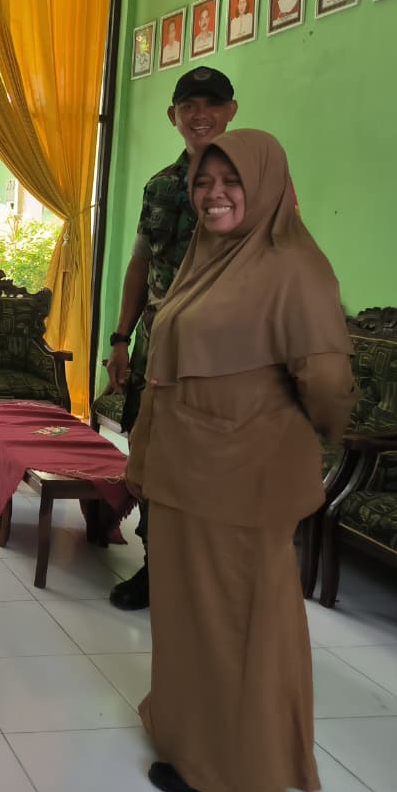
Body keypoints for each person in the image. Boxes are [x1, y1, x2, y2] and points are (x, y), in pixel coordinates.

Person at [125, 129, 356, 792]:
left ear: (267, 186)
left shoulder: (294, 267)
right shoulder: (207, 256)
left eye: (232, 182)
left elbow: (327, 384)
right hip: (185, 471)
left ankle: (235, 767)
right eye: (203, 182)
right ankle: (188, 740)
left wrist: (285, 434)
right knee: (188, 618)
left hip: (241, 480)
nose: (214, 194)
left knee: (237, 625)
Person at [103, 66, 238, 611]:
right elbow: (140, 264)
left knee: (214, 465)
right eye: (189, 106)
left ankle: (206, 575)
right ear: (173, 116)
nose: (200, 115)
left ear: (231, 111)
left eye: (212, 104)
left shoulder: (255, 184)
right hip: (157, 349)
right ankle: (156, 566)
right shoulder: (160, 185)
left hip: (223, 356)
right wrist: (119, 339)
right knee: (151, 459)